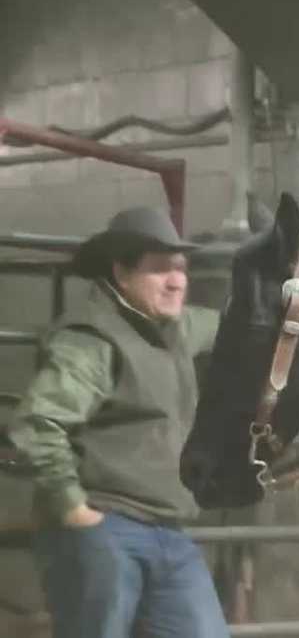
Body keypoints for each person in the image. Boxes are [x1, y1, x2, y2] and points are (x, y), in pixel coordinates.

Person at [6, 206, 228, 638]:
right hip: (106, 524)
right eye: (160, 268)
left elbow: (237, 327)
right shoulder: (92, 339)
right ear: (121, 274)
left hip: (168, 527)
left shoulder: (180, 329)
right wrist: (73, 507)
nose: (177, 280)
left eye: (181, 268)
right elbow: (38, 424)